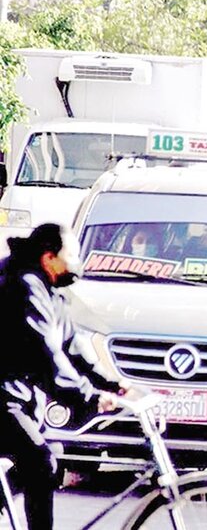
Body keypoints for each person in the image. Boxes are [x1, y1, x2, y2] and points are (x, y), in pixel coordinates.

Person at [0, 224, 129, 530]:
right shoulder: (24, 286)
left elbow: (71, 346)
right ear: (49, 258)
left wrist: (112, 383)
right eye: (71, 255)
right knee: (41, 462)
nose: (77, 263)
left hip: (14, 394)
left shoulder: (49, 290)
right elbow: (46, 354)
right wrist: (89, 397)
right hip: (4, 395)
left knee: (51, 454)